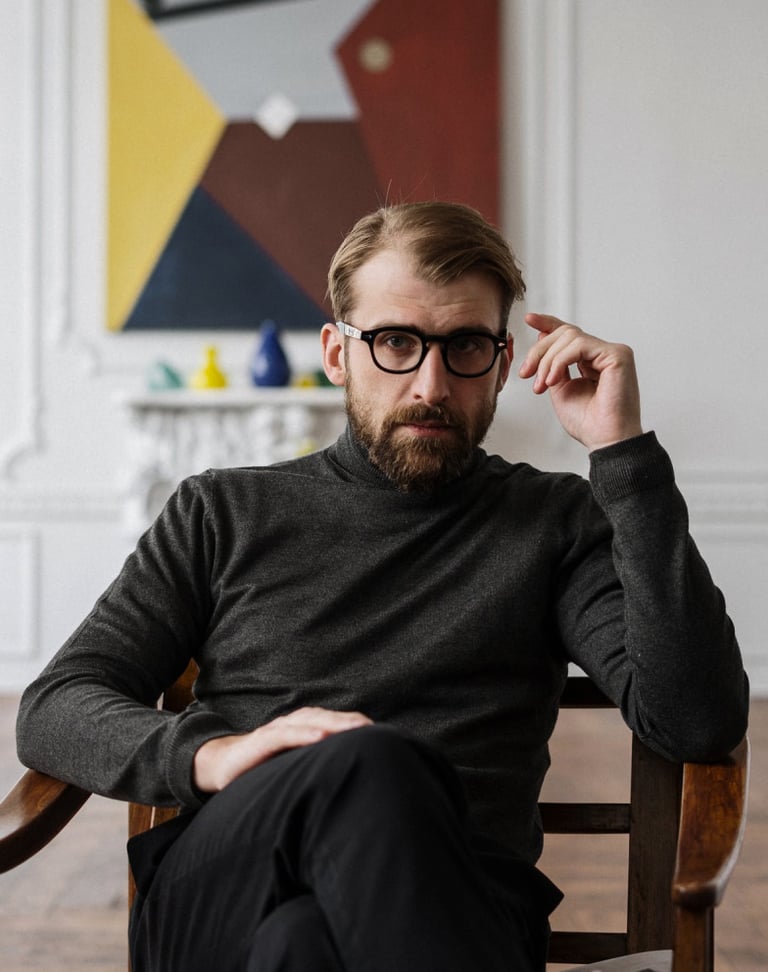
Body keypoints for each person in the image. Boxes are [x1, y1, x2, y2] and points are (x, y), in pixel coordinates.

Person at [16, 201, 748, 971]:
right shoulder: (221, 511)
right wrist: (216, 755)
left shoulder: (554, 522)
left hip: (462, 905)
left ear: (504, 363)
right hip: (230, 883)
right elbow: (56, 707)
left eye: (465, 346)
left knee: (301, 941)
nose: (431, 384)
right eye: (396, 342)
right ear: (337, 353)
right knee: (369, 763)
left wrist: (623, 454)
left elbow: (695, 720)